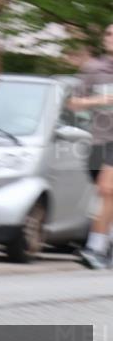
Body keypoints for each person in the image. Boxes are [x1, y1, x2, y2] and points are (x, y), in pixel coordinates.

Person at [67, 23, 113, 270]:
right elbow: (73, 103)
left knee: (107, 190)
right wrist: (99, 100)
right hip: (98, 140)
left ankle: (95, 248)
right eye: (108, 34)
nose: (111, 38)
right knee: (106, 194)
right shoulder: (94, 69)